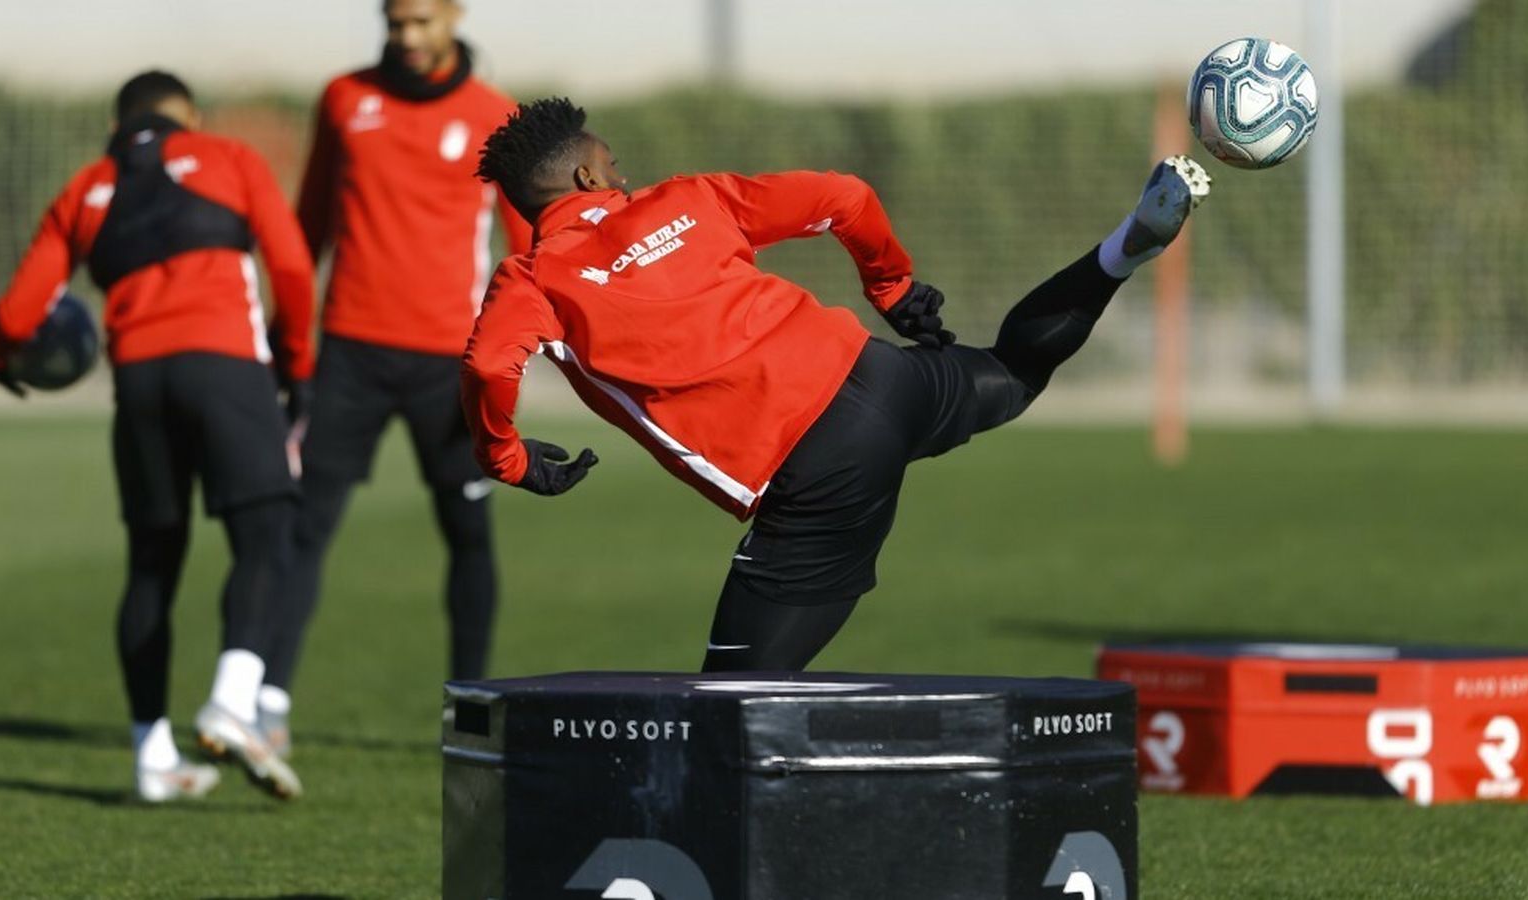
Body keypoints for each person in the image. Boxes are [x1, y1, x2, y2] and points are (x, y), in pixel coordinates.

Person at [462, 97, 1212, 672]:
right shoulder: (689, 199)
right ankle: (1118, 252)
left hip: (816, 470)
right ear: (589, 177)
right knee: (1011, 374)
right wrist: (891, 288)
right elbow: (844, 197)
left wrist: (512, 462)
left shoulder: (531, 280)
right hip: (882, 377)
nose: (624, 175)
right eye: (615, 164)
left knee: (733, 702)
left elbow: (489, 366)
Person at [0, 71, 311, 800]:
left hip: (140, 388)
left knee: (153, 563)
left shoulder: (85, 188)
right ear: (187, 113)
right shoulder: (230, 158)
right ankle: (232, 696)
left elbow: (19, 312)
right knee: (269, 531)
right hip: (226, 369)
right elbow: (289, 266)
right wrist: (298, 363)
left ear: (118, 122)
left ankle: (152, 756)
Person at [264, 0, 531, 752]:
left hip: (450, 362)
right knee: (303, 529)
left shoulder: (495, 116)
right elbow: (307, 225)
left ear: (453, 15)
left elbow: (528, 243)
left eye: (420, 20)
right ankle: (267, 705)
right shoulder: (345, 98)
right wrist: (289, 341)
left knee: (466, 530)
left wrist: (526, 345)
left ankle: (470, 706)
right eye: (394, 21)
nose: (406, 36)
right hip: (348, 353)